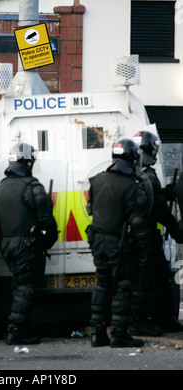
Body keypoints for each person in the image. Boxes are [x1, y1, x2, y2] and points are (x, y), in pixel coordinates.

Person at [87, 138, 152, 348]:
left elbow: (91, 208)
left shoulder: (96, 180)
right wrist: (145, 250)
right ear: (133, 158)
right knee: (122, 287)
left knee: (103, 285)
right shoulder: (132, 186)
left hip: (98, 241)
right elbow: (139, 222)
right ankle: (119, 334)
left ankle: (97, 333)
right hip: (120, 243)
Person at [0, 142, 58, 345]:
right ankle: (18, 330)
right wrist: (46, 242)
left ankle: (20, 325)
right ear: (28, 162)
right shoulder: (32, 186)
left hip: (7, 244)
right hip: (27, 244)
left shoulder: (2, 185)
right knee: (26, 287)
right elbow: (47, 220)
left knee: (18, 285)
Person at [131, 131, 183, 334]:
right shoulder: (148, 175)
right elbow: (159, 209)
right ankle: (147, 321)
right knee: (151, 280)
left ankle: (163, 319)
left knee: (155, 277)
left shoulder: (132, 172)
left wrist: (165, 192)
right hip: (148, 235)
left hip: (137, 235)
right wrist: (176, 228)